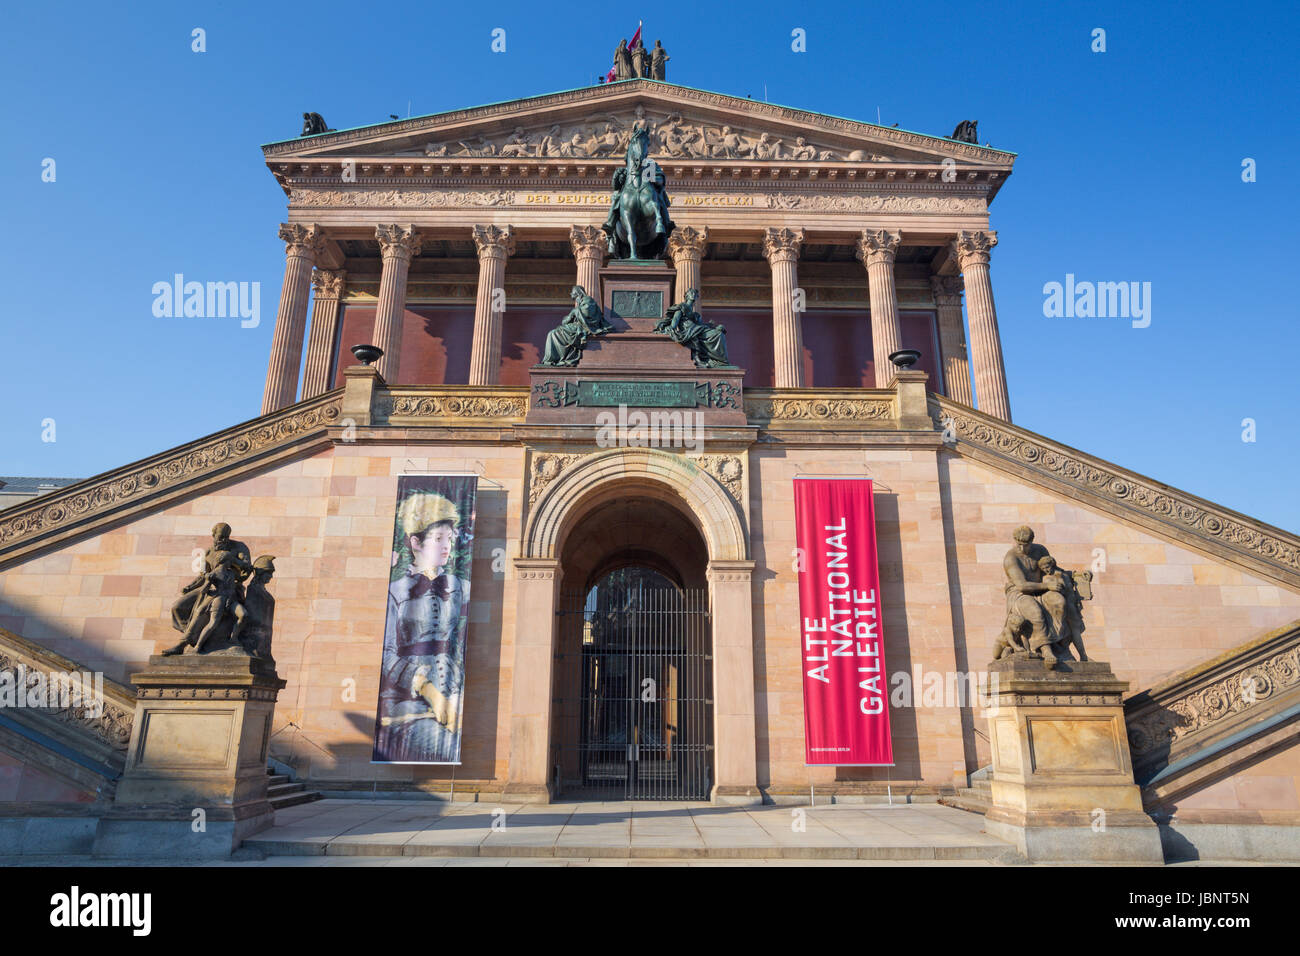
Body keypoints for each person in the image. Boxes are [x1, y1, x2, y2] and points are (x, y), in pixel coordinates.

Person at [375, 492, 470, 762]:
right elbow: (386, 654)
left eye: (449, 539)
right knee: (446, 749)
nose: (446, 546)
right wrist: (429, 690)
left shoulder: (459, 587)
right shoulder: (396, 591)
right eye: (438, 538)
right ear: (416, 542)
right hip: (410, 702)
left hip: (455, 693)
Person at [164, 522, 252, 655]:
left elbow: (247, 569)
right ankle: (192, 637)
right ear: (213, 536)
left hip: (229, 589)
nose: (223, 540)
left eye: (226, 537)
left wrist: (232, 559)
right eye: (220, 537)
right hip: (209, 586)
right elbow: (203, 575)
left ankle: (184, 643)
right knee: (177, 606)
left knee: (200, 612)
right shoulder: (209, 552)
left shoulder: (239, 547)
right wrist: (191, 586)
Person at [655, 288, 731, 367]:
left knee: (718, 334)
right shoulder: (681, 307)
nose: (693, 294)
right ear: (687, 296)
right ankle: (699, 359)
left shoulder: (696, 315)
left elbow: (700, 325)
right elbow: (675, 320)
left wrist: (713, 327)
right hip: (688, 331)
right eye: (691, 293)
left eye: (695, 293)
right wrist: (671, 328)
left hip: (697, 330)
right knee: (716, 335)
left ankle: (721, 362)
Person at [541, 286, 611, 366]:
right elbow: (565, 321)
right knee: (552, 333)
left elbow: (588, 313)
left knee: (553, 334)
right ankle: (555, 359)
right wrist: (573, 313)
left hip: (584, 327)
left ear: (578, 292)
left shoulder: (588, 299)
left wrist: (575, 311)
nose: (571, 294)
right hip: (577, 326)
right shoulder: (580, 303)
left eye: (572, 292)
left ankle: (560, 358)